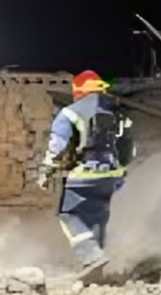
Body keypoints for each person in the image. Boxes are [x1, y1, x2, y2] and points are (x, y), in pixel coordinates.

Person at [38, 70, 133, 282]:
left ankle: (92, 258)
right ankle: (110, 266)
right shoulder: (119, 112)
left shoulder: (70, 112)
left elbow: (57, 147)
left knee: (69, 215)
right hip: (116, 176)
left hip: (88, 175)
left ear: (78, 90)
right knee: (101, 218)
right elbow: (128, 148)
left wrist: (46, 171)